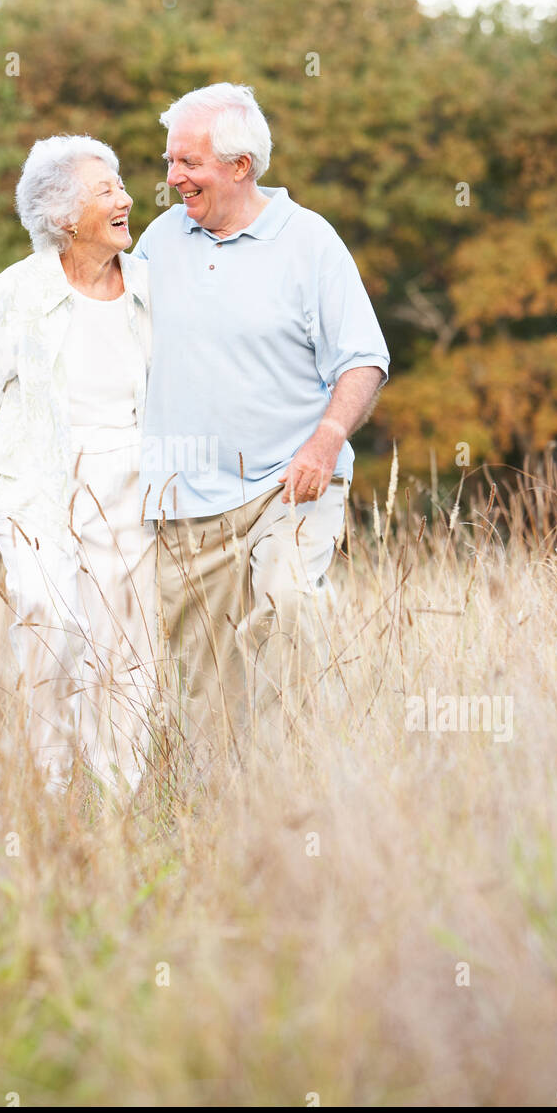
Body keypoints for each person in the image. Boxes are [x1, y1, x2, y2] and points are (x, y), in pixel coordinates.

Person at [134, 83, 390, 770]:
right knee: (203, 692)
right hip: (185, 500)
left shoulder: (309, 242)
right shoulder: (161, 239)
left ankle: (301, 774)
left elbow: (363, 359)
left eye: (188, 162)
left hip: (291, 483)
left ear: (240, 166)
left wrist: (328, 437)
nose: (172, 178)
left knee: (288, 605)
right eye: (169, 161)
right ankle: (215, 821)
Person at [0, 135, 156, 796]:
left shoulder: (151, 284)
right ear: (64, 216)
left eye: (120, 184)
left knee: (124, 644)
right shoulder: (16, 291)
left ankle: (119, 796)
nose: (126, 199)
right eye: (106, 190)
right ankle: (54, 781)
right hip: (35, 480)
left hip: (129, 477)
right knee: (48, 614)